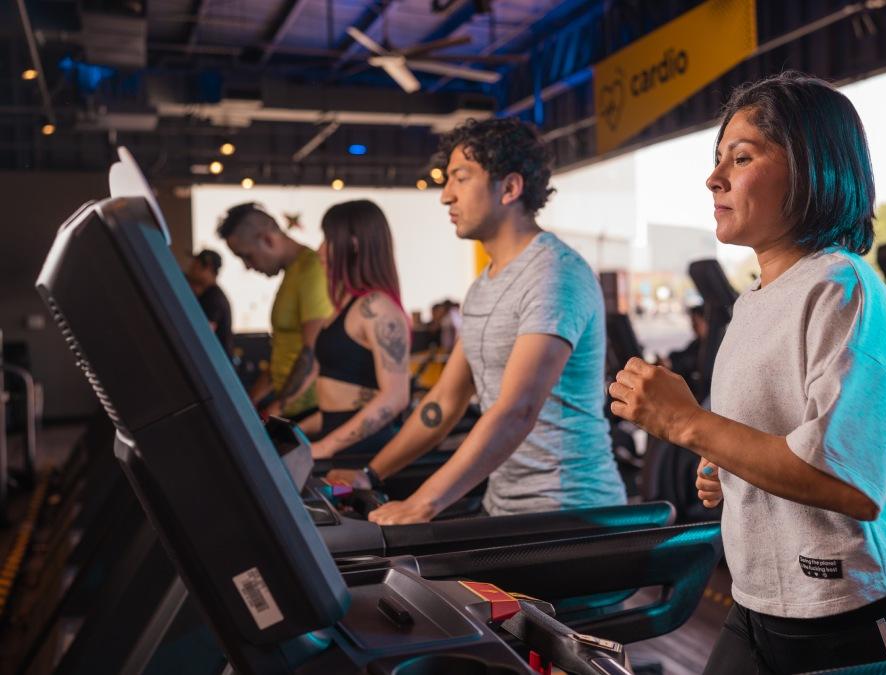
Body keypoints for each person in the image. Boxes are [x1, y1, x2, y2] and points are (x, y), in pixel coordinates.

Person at [608, 72, 886, 673]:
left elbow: (847, 482)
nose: (714, 178)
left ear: (808, 170)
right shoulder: (751, 303)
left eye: (741, 157)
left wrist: (689, 424)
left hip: (863, 612)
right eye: (718, 159)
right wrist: (725, 467)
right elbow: (775, 437)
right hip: (760, 603)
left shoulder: (844, 290)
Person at [327, 118, 625, 523]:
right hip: (504, 510)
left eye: (461, 178)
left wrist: (423, 503)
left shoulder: (554, 274)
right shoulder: (483, 286)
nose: (445, 195)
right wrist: (370, 474)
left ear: (510, 187)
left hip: (570, 513)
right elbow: (445, 401)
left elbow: (518, 409)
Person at [296, 200, 411, 459]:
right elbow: (337, 406)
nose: (320, 249)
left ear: (354, 244)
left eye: (328, 240)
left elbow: (396, 396)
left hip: (362, 455)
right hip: (338, 445)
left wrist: (324, 447)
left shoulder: (377, 308)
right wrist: (297, 431)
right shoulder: (349, 305)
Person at [218, 203, 333, 419]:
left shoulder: (312, 272)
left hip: (309, 413)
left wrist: (277, 408)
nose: (247, 266)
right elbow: (282, 355)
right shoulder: (293, 274)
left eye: (247, 256)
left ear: (268, 240)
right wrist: (250, 401)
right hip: (289, 408)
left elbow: (315, 353)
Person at [185, 249, 233, 357]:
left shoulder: (214, 298)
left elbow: (204, 334)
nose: (191, 268)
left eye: (196, 265)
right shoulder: (207, 294)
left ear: (208, 268)